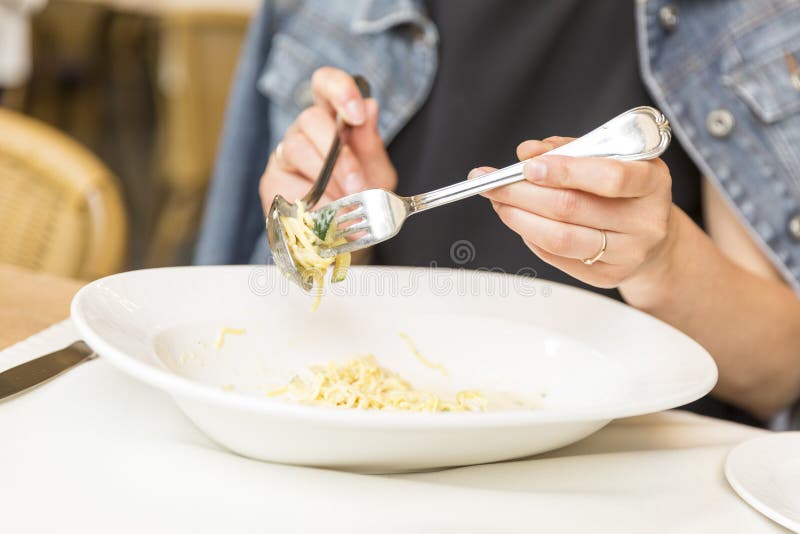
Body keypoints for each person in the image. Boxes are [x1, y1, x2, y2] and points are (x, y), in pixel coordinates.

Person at [195, 0, 800, 427]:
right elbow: (261, 325)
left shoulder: (737, 14)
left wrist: (661, 261)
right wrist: (332, 223)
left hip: (638, 478)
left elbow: (781, 371)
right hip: (366, 437)